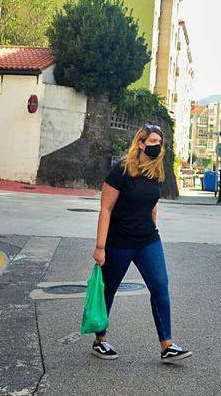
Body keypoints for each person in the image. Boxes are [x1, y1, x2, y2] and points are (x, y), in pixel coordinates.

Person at [91, 123, 192, 364]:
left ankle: (167, 345)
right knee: (108, 289)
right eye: (152, 141)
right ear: (141, 143)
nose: (156, 145)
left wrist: (154, 225)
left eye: (160, 142)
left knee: (160, 286)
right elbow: (105, 209)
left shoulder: (156, 172)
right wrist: (100, 246)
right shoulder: (121, 171)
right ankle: (99, 341)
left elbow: (152, 203)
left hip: (148, 240)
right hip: (119, 241)